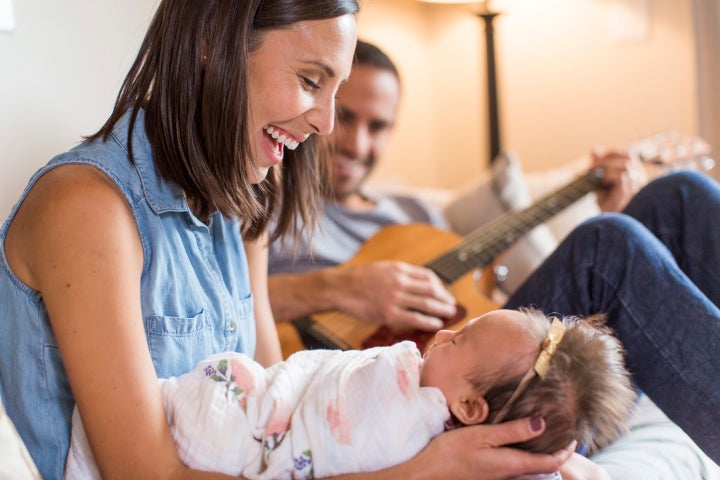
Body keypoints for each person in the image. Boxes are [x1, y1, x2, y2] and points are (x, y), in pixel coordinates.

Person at [0, 3, 588, 480]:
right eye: (311, 81)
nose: (328, 125)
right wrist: (418, 474)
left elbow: (278, 420)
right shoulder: (87, 207)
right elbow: (147, 473)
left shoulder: (240, 208)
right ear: (213, 45)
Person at [267, 39, 720, 472]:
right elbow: (232, 304)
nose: (357, 144)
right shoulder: (266, 203)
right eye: (346, 117)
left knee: (679, 194)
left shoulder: (415, 212)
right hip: (395, 399)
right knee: (604, 246)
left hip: (483, 374)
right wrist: (338, 288)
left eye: (378, 126)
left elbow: (482, 318)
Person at [64, 308, 636, 479]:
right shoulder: (416, 398)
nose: (438, 335)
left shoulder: (411, 412)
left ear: (467, 409)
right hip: (236, 418)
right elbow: (315, 381)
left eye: (458, 340)